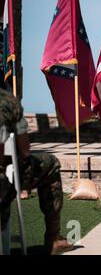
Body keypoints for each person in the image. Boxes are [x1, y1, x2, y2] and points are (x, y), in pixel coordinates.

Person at [0, 88, 74, 254]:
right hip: (3, 182)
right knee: (51, 164)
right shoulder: (7, 102)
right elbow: (25, 150)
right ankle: (53, 239)